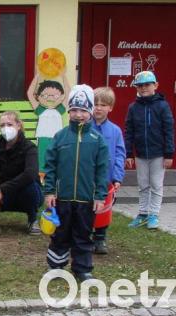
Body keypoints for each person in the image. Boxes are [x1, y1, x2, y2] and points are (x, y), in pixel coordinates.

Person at [43, 84, 108, 282]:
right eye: (74, 110)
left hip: (86, 199)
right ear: (69, 111)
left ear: (90, 112)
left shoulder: (98, 140)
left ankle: (82, 268)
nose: (79, 115)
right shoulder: (60, 137)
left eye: (83, 110)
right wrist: (50, 191)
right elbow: (50, 166)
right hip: (62, 198)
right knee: (60, 234)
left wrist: (100, 196)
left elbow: (102, 170)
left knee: (83, 235)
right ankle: (56, 266)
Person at [124, 71, 175, 230]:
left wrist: (169, 154)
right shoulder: (133, 107)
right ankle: (143, 213)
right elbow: (129, 131)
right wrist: (129, 153)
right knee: (143, 184)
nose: (143, 88)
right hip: (140, 154)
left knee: (156, 184)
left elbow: (169, 130)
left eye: (147, 84)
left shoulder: (162, 106)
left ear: (156, 85)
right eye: (140, 86)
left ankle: (154, 214)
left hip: (158, 154)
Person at [91, 87, 125, 254]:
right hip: (87, 177)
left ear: (110, 107)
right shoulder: (85, 127)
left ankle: (100, 238)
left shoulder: (115, 131)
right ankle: (84, 236)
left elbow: (119, 155)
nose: (98, 108)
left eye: (103, 105)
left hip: (106, 178)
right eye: (95, 104)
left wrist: (117, 177)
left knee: (103, 209)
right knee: (86, 208)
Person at [27, 70, 70, 172]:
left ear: (61, 96)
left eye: (55, 96)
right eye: (45, 95)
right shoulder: (40, 109)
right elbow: (29, 93)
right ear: (38, 96)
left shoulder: (60, 109)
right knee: (42, 159)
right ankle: (41, 175)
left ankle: (56, 173)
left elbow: (68, 92)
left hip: (57, 138)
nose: (50, 98)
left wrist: (63, 75)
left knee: (57, 158)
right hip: (43, 137)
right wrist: (37, 75)